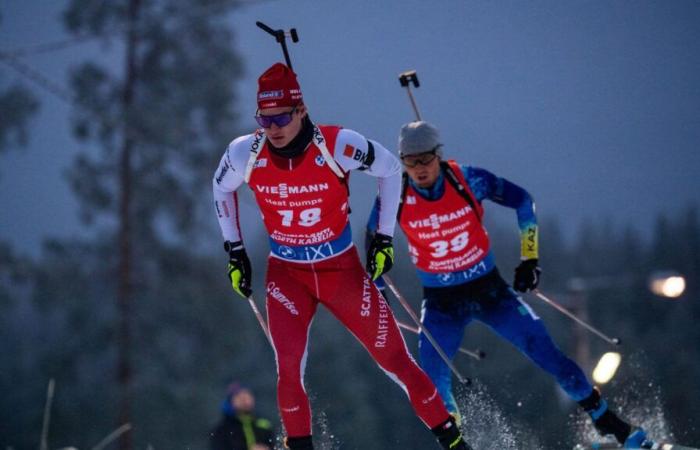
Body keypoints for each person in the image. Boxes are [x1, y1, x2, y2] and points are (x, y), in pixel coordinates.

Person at [212, 63, 471, 450]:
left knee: (397, 363)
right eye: (264, 120)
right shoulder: (244, 152)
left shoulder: (336, 144)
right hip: (287, 275)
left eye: (282, 116)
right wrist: (235, 252)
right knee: (289, 370)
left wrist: (382, 237)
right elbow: (220, 190)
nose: (273, 128)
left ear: (301, 110)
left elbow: (388, 170)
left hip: (341, 271)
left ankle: (454, 443)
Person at [365, 120, 651, 448]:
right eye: (410, 161)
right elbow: (373, 235)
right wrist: (379, 287)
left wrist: (529, 258)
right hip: (442, 304)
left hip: (490, 293)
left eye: (426, 159)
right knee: (430, 381)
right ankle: (455, 442)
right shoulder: (395, 194)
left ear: (439, 156)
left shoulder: (468, 179)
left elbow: (522, 201)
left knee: (547, 353)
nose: (419, 169)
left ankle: (610, 423)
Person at [209, 382, 275, 450]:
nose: (244, 400)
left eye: (247, 395)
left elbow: (274, 445)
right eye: (239, 397)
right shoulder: (222, 430)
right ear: (231, 401)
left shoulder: (264, 424)